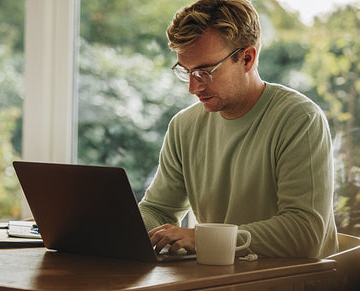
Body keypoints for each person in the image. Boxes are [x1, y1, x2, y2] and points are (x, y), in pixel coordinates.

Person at [138, 0, 338, 258]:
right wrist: (116, 229)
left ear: (247, 58)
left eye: (205, 72)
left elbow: (305, 233)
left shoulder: (300, 119)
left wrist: (202, 238)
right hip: (219, 278)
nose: (193, 87)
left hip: (290, 280)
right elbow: (157, 210)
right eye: (186, 71)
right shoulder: (183, 126)